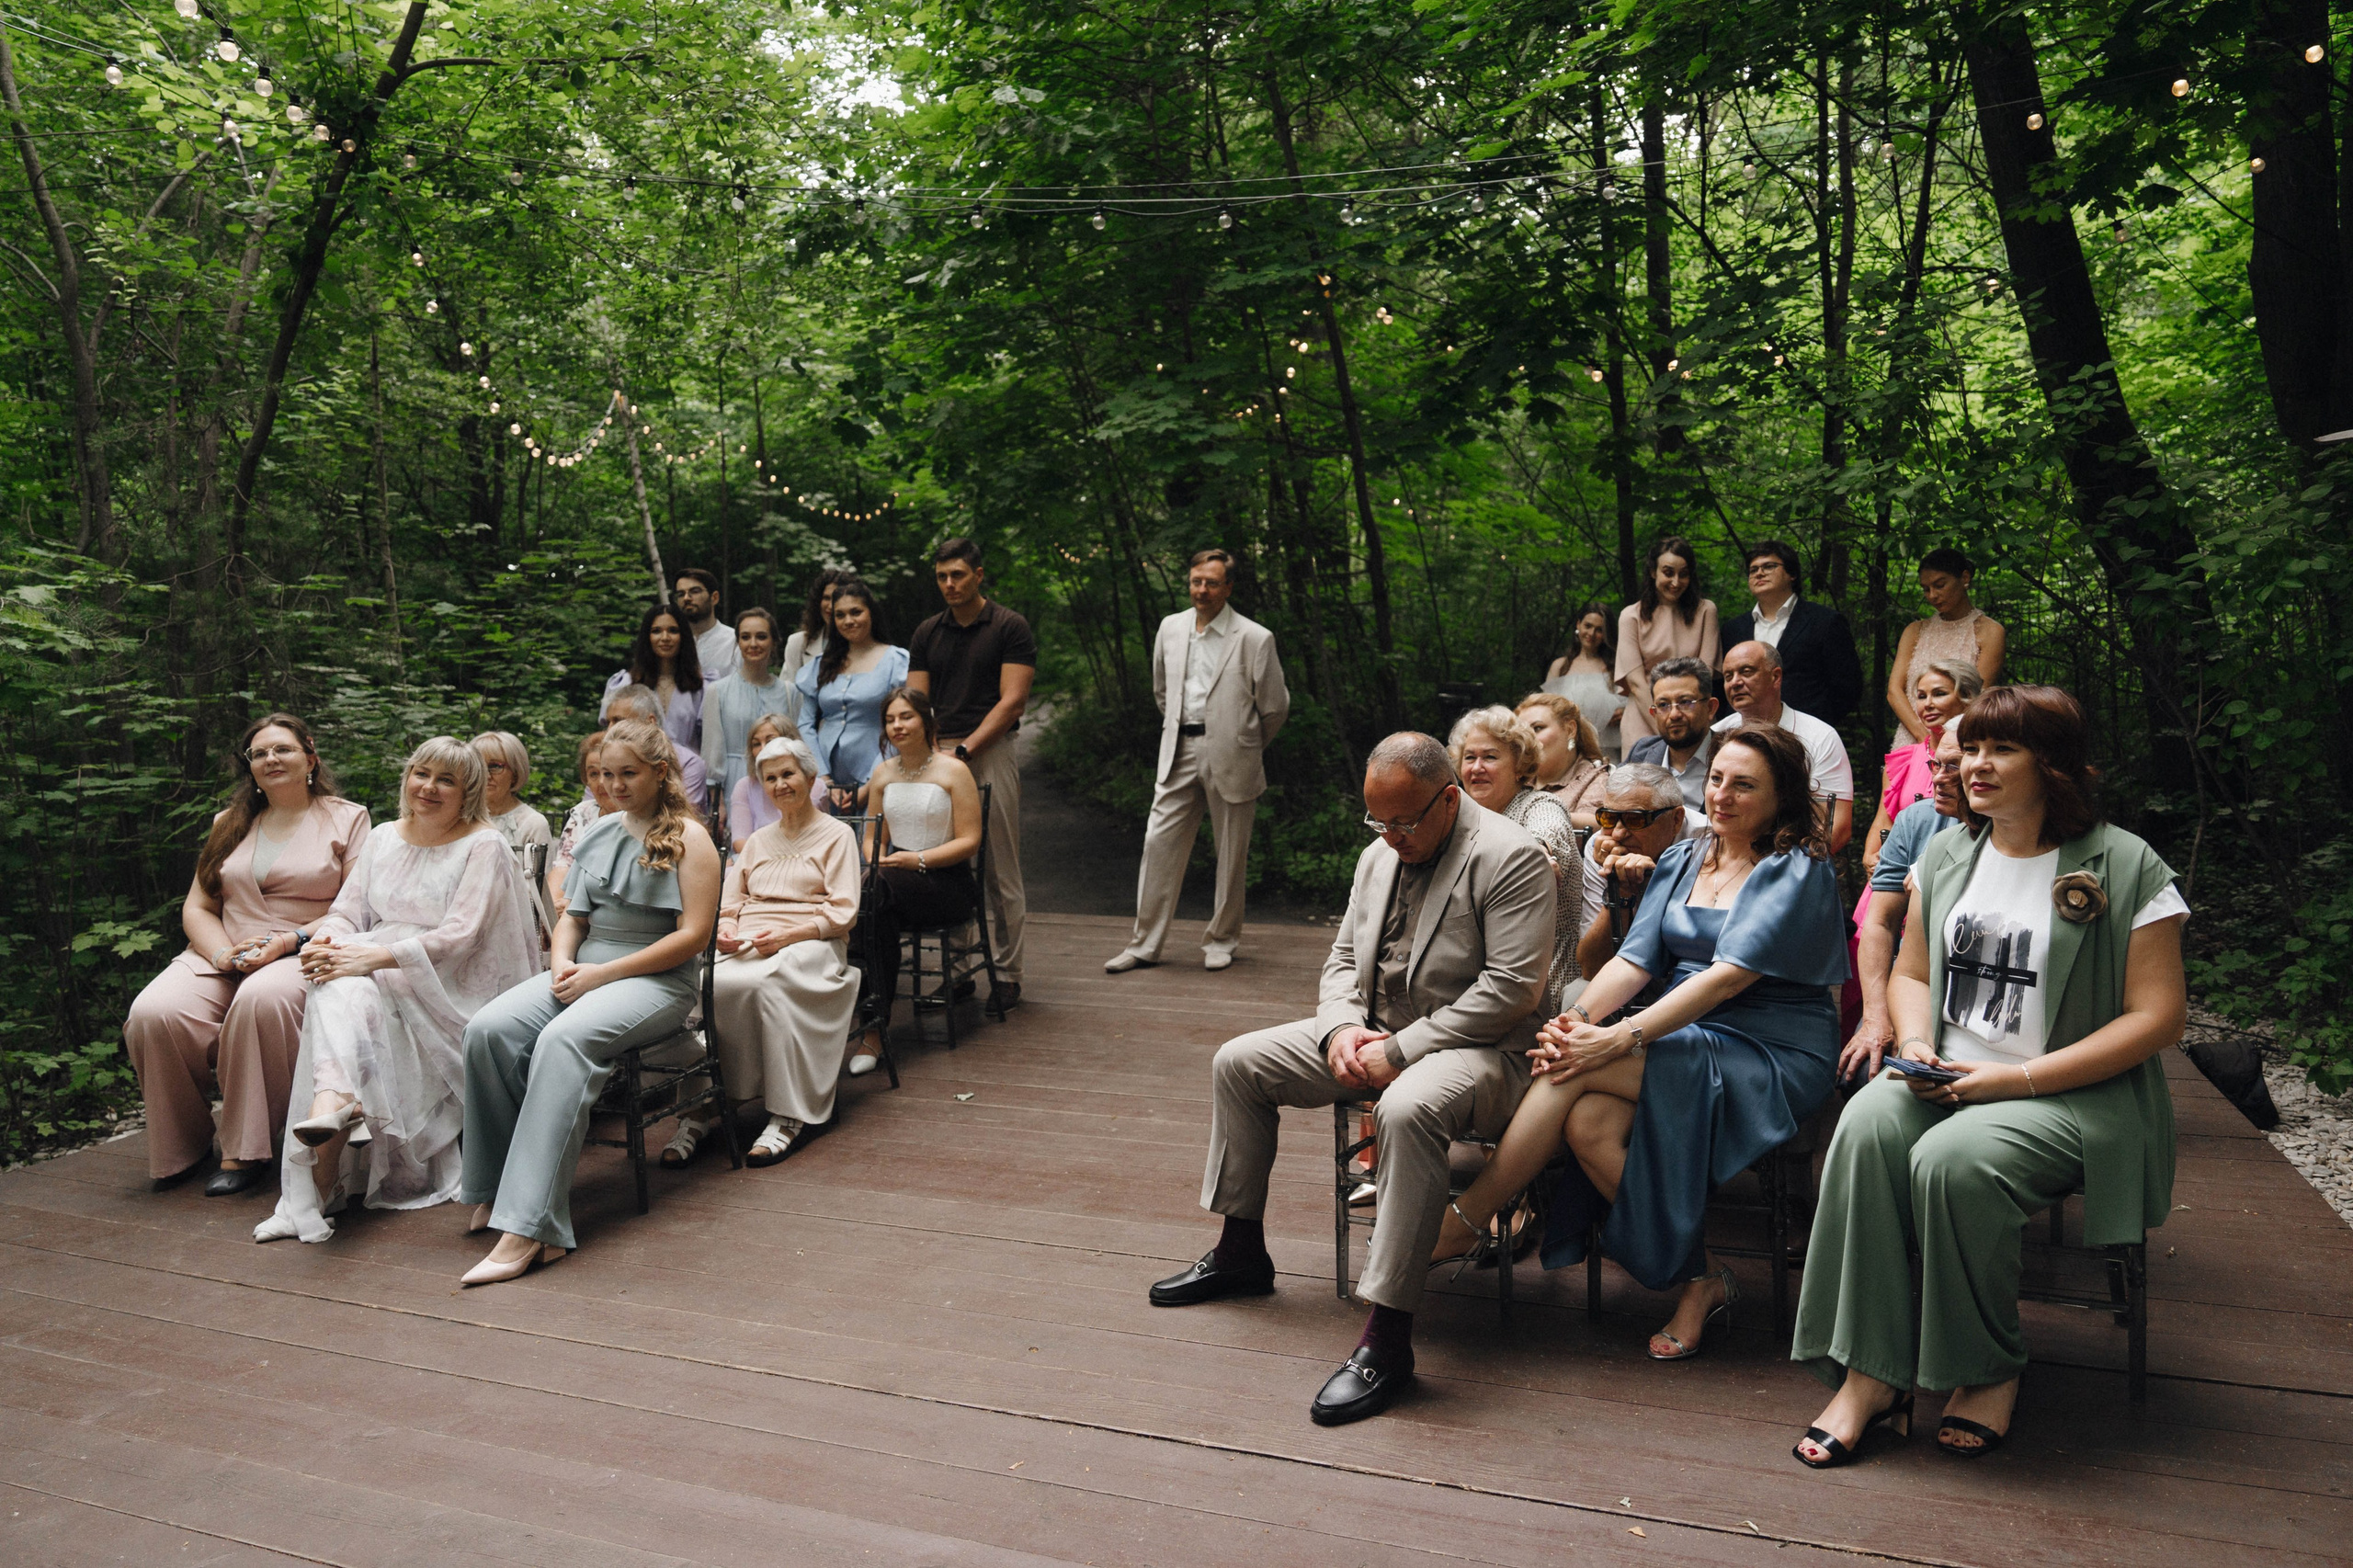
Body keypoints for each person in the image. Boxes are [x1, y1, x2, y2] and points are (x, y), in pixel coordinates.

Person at [1790, 686, 2187, 1467]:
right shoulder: (1947, 852)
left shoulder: (2126, 862)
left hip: (2069, 1092)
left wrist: (2016, 1080)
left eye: (2000, 749)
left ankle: (1986, 1366)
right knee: (1866, 1128)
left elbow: (2157, 1018)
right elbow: (1908, 971)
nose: (1975, 765)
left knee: (1953, 1160)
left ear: (2056, 765)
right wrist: (1916, 1040)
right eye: (1970, 749)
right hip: (1947, 1073)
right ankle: (1872, 1374)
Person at [1148, 733, 1554, 1427]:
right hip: (1373, 1033)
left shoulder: (1512, 857)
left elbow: (1511, 990)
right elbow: (1341, 960)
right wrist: (1340, 1030)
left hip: (1483, 1053)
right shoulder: (1377, 856)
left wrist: (1400, 1050)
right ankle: (1241, 1250)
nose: (1388, 836)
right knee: (1239, 1061)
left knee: (1404, 1109)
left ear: (1449, 799)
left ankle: (1388, 1341)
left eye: (1402, 821)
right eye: (1377, 821)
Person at [1434, 725, 1847, 1364]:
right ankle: (1701, 1278)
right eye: (1716, 779)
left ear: (1783, 796)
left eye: (1745, 785)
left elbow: (1728, 976)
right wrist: (1575, 1024)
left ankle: (1471, 1216)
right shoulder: (1685, 858)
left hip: (1771, 1047)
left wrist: (1611, 1037)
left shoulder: (1798, 870)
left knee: (1569, 1073)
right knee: (1590, 1124)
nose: (1723, 795)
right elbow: (1633, 959)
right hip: (1684, 1031)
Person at [457, 720, 721, 1285]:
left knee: (563, 1040)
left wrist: (602, 974)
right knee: (489, 1029)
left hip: (655, 979)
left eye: (627, 774)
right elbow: (573, 916)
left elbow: (693, 936)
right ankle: (499, 1186)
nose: (614, 785)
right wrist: (560, 962)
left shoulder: (690, 840)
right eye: (604, 774)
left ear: (659, 772)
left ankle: (531, 1228)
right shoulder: (599, 831)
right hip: (584, 965)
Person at [255, 739, 541, 1244]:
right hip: (382, 961)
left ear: (468, 791)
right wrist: (330, 944)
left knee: (349, 987)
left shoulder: (484, 844)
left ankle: (313, 1187)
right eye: (421, 774)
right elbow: (349, 912)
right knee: (337, 985)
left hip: (453, 982)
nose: (428, 788)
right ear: (407, 777)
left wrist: (373, 958)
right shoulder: (384, 837)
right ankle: (334, 1105)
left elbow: (463, 934)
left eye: (446, 780)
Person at [124, 714, 371, 1196]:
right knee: (153, 1013)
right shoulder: (228, 823)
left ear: (310, 757)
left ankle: (245, 1149)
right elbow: (198, 905)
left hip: (303, 949)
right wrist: (221, 955)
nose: (271, 759)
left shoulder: (349, 817)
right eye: (259, 753)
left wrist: (285, 942)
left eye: (282, 749)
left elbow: (358, 905)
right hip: (223, 951)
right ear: (250, 767)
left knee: (261, 1000)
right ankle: (182, 1146)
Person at [1107, 549, 1291, 975]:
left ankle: (1222, 939)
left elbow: (1275, 707)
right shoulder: (1170, 628)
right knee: (1158, 845)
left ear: (1228, 587)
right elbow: (1161, 690)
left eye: (1211, 583)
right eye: (1195, 582)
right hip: (1178, 749)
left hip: (1233, 753)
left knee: (1231, 852)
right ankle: (1144, 944)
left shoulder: (1253, 637)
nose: (1202, 590)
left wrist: (1245, 743)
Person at [697, 734, 861, 1168]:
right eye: (770, 778)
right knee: (704, 981)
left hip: (813, 940)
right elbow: (731, 902)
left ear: (809, 776)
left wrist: (791, 937)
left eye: (788, 773)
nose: (780, 784)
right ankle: (705, 1103)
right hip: (752, 938)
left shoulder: (837, 834)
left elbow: (844, 912)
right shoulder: (759, 840)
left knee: (765, 982)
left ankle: (789, 1112)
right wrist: (728, 928)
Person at [905, 537, 1036, 1010]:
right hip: (940, 755)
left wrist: (964, 749)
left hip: (989, 750)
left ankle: (1007, 974)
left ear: (978, 575)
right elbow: (917, 702)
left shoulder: (1008, 626)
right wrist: (934, 754)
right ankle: (958, 971)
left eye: (957, 575)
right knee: (946, 861)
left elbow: (1013, 701)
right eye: (941, 576)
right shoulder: (927, 632)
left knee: (999, 864)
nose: (949, 584)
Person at [851, 687, 984, 1075]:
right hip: (894, 879)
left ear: (926, 720)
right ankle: (873, 1024)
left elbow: (970, 840)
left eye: (906, 717)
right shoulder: (883, 773)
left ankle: (870, 1028)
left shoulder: (954, 770)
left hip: (946, 882)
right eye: (890, 719)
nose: (897, 726)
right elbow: (873, 836)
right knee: (875, 903)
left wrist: (918, 860)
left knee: (869, 899)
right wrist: (878, 859)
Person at [1842, 727, 1966, 1081]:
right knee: (1862, 1073)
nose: (1938, 780)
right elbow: (1879, 923)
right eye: (1934, 765)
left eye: (1952, 767)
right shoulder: (1917, 819)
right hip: (1915, 978)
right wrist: (1876, 1017)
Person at [1449, 707, 1582, 1017]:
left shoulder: (1539, 805)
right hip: (1471, 984)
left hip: (1539, 991)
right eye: (1470, 758)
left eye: (1490, 757)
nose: (1477, 768)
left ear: (1520, 766)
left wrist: (1537, 855)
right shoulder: (1462, 820)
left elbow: (1549, 840)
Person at [1714, 641, 1854, 853]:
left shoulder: (1820, 736)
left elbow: (1836, 827)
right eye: (1728, 676)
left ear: (1776, 676)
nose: (1735, 682)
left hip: (1793, 863)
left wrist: (1784, 871)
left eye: (1746, 672)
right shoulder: (1716, 734)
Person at [1574, 762, 1704, 986]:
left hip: (1694, 975)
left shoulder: (1708, 841)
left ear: (1676, 819)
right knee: (1576, 993)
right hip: (1626, 974)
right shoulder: (1601, 846)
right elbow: (1592, 969)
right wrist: (1617, 888)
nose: (1618, 833)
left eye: (1635, 819)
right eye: (1608, 818)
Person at [1720, 540, 1865, 729]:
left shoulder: (1825, 622)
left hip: (1806, 735)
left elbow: (1848, 686)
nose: (1759, 573)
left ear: (1792, 574)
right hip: (1745, 733)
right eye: (1753, 570)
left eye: (1769, 566)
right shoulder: (1733, 629)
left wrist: (1817, 724)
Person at [797, 578, 909, 812]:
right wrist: (823, 779)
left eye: (856, 612)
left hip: (880, 769)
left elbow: (900, 723)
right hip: (826, 777)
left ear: (871, 613)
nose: (848, 621)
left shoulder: (894, 661)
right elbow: (805, 724)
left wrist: (871, 784)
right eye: (840, 615)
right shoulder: (822, 665)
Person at [1862, 659, 1982, 873]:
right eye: (1921, 696)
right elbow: (1883, 823)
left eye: (1939, 693)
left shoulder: (1979, 760)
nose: (1927, 704)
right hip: (1896, 872)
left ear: (1967, 700)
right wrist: (1873, 859)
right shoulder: (1903, 761)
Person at [700, 606, 799, 840]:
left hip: (780, 781)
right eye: (745, 637)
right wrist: (718, 803)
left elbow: (797, 748)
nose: (753, 643)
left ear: (774, 642)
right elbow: (712, 751)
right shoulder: (718, 691)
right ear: (738, 643)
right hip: (734, 780)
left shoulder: (790, 692)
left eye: (761, 636)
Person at [1889, 548, 2006, 742]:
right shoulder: (1914, 630)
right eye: (1926, 589)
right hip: (1911, 735)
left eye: (1940, 585)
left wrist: (1946, 742)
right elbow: (1894, 691)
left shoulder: (1990, 631)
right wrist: (1924, 738)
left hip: (1960, 738)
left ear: (1965, 578)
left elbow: (1979, 695)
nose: (1932, 595)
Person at [1615, 537, 1721, 748]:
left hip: (1693, 715)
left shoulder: (1706, 611)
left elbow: (1706, 674)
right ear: (1653, 572)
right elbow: (1636, 683)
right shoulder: (1631, 616)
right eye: (1668, 572)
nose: (1675, 582)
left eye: (1683, 574)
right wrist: (1663, 725)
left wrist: (1686, 723)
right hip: (1645, 716)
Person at [601, 601, 706, 766]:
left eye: (673, 630)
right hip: (635, 771)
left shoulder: (700, 687)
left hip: (686, 771)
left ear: (683, 635)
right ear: (647, 636)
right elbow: (607, 736)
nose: (665, 638)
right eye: (656, 631)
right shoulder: (624, 684)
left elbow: (707, 741)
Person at [472, 731, 553, 929]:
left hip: (513, 925)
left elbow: (538, 892)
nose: (486, 775)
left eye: (495, 766)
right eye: (479, 766)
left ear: (515, 773)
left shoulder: (533, 823)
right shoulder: (459, 817)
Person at [1624, 657, 1721, 812]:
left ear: (1710, 708)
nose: (1674, 714)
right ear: (1653, 713)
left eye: (1685, 702)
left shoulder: (1732, 756)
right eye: (1663, 705)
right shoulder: (1641, 753)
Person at [1542, 601, 1625, 759]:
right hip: (1567, 751)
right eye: (1588, 626)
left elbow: (1631, 703)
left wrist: (1623, 714)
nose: (1592, 634)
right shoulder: (1560, 667)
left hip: (1608, 752)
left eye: (1599, 630)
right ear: (1578, 624)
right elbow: (1546, 711)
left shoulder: (1616, 666)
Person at [604, 684, 709, 809]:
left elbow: (685, 814)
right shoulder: (605, 757)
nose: (610, 728)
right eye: (608, 774)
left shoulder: (688, 763)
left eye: (618, 721)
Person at [1516, 691, 1609, 828]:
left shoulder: (1596, 778)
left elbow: (1597, 825)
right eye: (1522, 733)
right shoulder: (1515, 778)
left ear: (1570, 729)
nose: (1527, 740)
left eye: (1537, 728)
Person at [547, 730, 613, 913]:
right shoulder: (583, 812)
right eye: (593, 774)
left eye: (608, 773)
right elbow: (563, 865)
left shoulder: (640, 818)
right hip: (571, 911)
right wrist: (555, 905)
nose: (601, 782)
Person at [779, 568, 848, 726]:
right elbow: (787, 698)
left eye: (837, 598)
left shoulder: (861, 648)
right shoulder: (799, 643)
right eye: (826, 598)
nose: (830, 606)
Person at [726, 714, 792, 852]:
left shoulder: (811, 784)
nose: (763, 749)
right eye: (756, 744)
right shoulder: (744, 786)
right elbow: (739, 841)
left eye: (770, 741)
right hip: (754, 861)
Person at [674, 567, 736, 681]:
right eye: (681, 594)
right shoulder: (671, 641)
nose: (686, 598)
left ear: (714, 597)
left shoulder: (734, 642)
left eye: (695, 591)